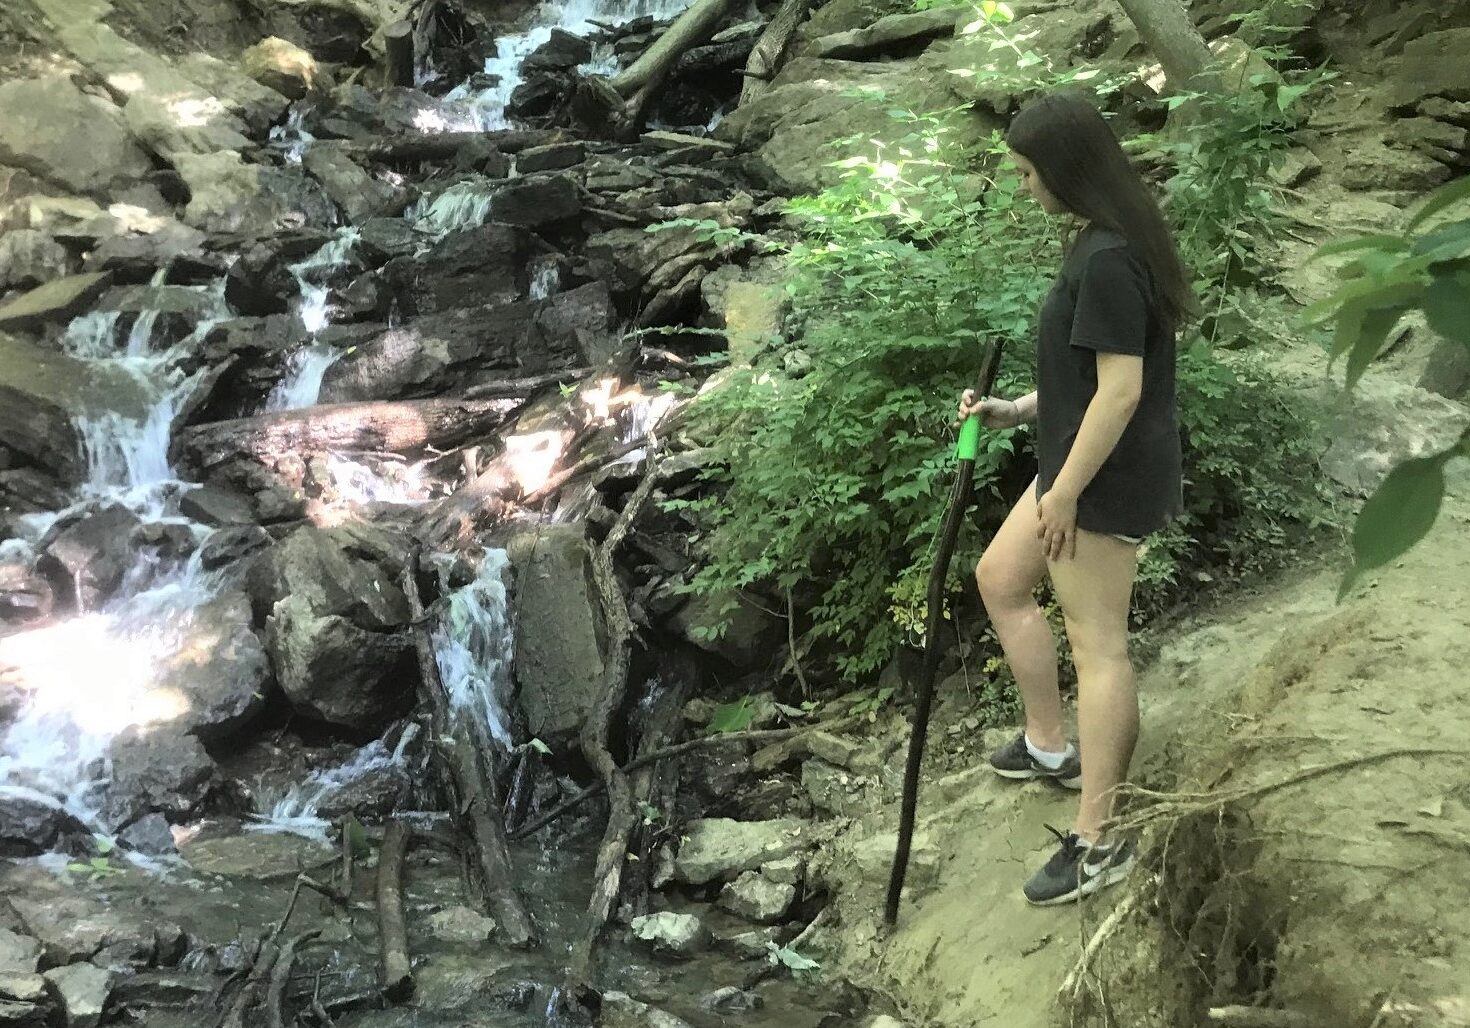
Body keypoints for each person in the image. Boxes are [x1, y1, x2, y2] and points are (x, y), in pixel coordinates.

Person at [956, 92, 1193, 906]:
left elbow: (1122, 392)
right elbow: (1087, 374)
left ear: (1064, 170)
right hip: (1073, 464)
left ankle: (1100, 840)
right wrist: (1020, 409)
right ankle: (1049, 745)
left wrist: (1063, 494)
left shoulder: (1109, 260)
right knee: (1000, 578)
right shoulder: (1099, 243)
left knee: (1099, 649)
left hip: (1099, 479)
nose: (1023, 186)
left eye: (1027, 173)